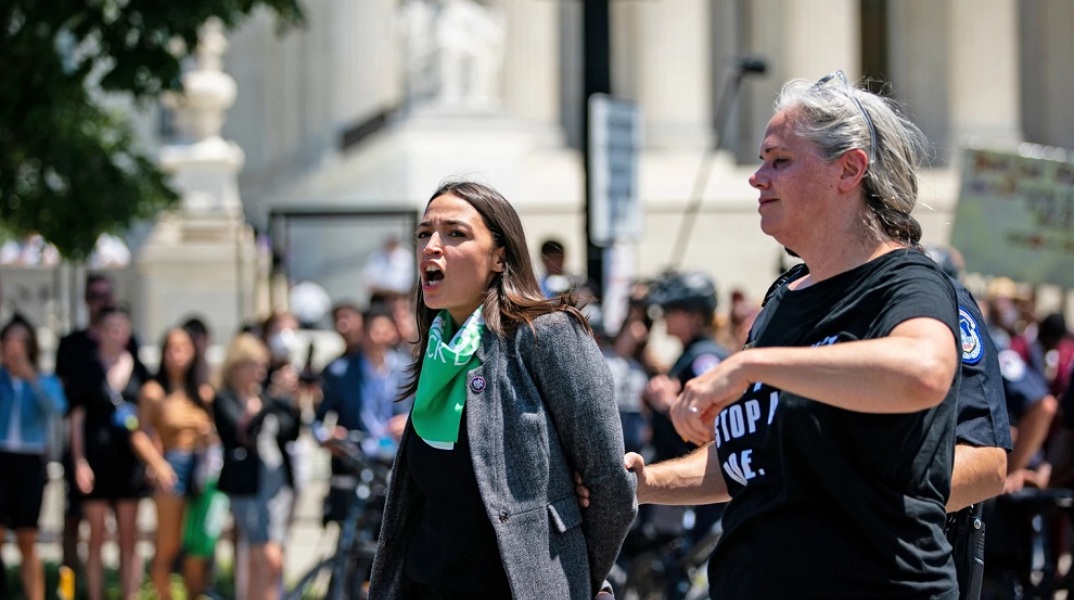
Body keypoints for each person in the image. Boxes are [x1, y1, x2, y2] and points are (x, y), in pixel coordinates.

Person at [627, 71, 961, 597]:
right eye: (762, 160)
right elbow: (751, 460)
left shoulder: (907, 281)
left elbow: (923, 373)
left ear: (849, 170)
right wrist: (643, 485)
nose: (758, 177)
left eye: (780, 160)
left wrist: (752, 365)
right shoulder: (785, 297)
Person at [368, 181, 636, 599]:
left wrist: (570, 583)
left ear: (498, 257)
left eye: (455, 233)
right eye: (424, 234)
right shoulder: (438, 350)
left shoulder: (547, 336)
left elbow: (611, 487)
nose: (431, 247)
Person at [54, 273, 143, 572]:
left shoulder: (132, 349)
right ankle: (74, 584)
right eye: (94, 296)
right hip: (88, 451)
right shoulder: (72, 345)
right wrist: (79, 459)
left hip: (126, 458)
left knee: (128, 535)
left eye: (105, 295)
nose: (100, 301)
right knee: (77, 523)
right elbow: (69, 405)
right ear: (86, 301)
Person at [67, 306, 151, 600]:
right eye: (109, 327)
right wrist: (79, 462)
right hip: (96, 462)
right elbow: (75, 420)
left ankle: (131, 594)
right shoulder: (87, 368)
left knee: (130, 538)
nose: (115, 333)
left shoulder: (139, 369)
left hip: (129, 465)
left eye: (121, 327)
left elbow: (149, 418)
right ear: (99, 332)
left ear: (128, 332)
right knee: (96, 538)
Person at [130, 327, 217, 599]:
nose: (177, 355)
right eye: (171, 348)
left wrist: (208, 435)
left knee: (197, 547)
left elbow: (215, 435)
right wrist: (157, 464)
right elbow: (140, 434)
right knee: (168, 545)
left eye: (183, 348)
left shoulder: (202, 393)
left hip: (201, 469)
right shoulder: (154, 392)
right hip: (172, 467)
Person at [213, 333, 301, 600]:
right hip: (247, 486)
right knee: (266, 557)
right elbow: (242, 432)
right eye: (256, 365)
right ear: (239, 365)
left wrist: (293, 403)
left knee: (263, 560)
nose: (261, 371)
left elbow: (290, 433)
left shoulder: (263, 396)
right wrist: (271, 401)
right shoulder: (224, 399)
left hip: (277, 485)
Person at [0, 316, 67, 600]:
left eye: (20, 341)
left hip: (29, 462)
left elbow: (57, 407)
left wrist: (30, 376)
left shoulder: (42, 380)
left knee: (28, 538)